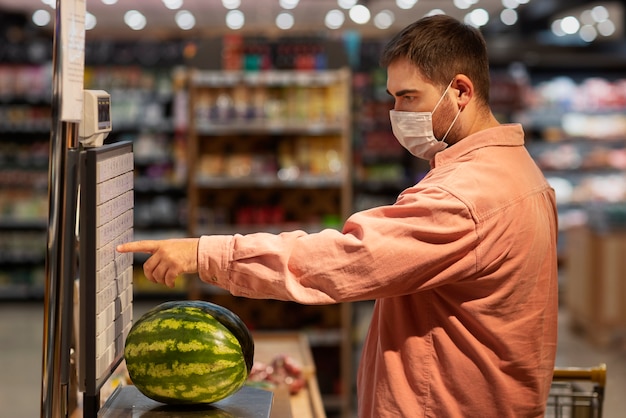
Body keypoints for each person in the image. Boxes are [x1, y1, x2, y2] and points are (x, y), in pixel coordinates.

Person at [118, 14, 558, 417]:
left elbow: (346, 259)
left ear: (461, 91)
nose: (398, 113)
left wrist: (204, 253)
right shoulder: (520, 172)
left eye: (409, 97)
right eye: (393, 98)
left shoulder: (467, 196)